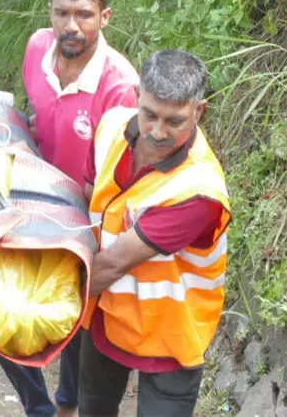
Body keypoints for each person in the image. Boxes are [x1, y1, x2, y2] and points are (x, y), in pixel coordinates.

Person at [4, 0, 140, 417]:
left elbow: (109, 177)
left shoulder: (119, 87)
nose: (71, 25)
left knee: (79, 320)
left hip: (84, 218)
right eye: (62, 13)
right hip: (31, 204)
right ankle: (41, 407)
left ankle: (66, 405)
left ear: (105, 16)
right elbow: (38, 116)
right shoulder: (36, 49)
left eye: (84, 14)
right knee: (3, 310)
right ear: (50, 11)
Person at [81, 50, 231, 417]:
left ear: (199, 111)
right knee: (93, 409)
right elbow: (86, 193)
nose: (158, 132)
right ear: (136, 95)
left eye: (174, 121)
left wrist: (42, 299)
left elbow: (113, 265)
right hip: (108, 315)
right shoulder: (111, 127)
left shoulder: (198, 190)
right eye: (149, 114)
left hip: (170, 335)